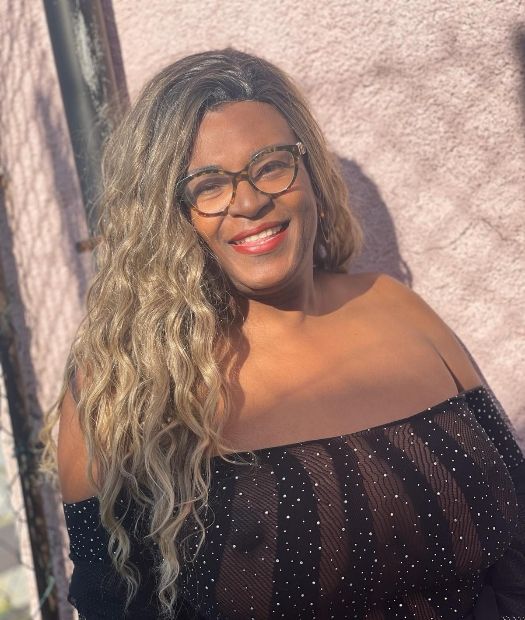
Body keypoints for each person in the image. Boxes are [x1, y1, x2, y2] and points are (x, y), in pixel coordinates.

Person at [42, 48, 525, 619]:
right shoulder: (122, 390)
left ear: (309, 173)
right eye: (209, 184)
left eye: (271, 165)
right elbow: (114, 606)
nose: (249, 201)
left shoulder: (397, 309)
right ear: (168, 213)